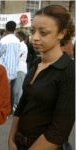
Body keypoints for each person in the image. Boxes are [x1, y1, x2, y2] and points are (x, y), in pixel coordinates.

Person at [8, 5, 75, 150]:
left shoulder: (69, 71)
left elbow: (59, 131)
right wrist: (11, 139)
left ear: (61, 34)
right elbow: (22, 105)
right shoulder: (36, 63)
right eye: (32, 31)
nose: (35, 37)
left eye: (43, 32)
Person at [0, 21, 20, 115]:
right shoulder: (17, 40)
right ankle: (10, 110)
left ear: (6, 28)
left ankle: (5, 109)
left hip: (5, 69)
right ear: (15, 29)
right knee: (12, 91)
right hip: (14, 69)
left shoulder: (4, 40)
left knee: (5, 91)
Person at [13, 31, 28, 110]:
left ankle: (17, 107)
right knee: (15, 89)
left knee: (18, 90)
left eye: (17, 36)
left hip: (20, 70)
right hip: (17, 69)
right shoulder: (18, 45)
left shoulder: (22, 46)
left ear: (21, 37)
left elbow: (16, 56)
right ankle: (15, 106)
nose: (16, 38)